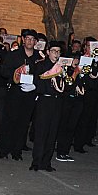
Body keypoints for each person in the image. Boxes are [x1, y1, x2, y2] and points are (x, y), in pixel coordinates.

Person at [0, 29, 42, 161]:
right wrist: (16, 76)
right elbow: (4, 71)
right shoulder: (14, 55)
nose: (29, 41)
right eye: (27, 38)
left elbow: (42, 75)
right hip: (15, 92)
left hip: (29, 94)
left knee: (23, 123)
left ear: (35, 42)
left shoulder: (39, 58)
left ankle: (17, 151)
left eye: (32, 39)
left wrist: (34, 85)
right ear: (23, 40)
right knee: (9, 121)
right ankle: (4, 150)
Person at [30, 41, 65, 172]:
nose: (56, 54)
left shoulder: (62, 67)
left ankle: (46, 162)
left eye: (58, 51)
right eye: (54, 51)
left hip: (57, 102)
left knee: (52, 133)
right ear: (48, 52)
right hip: (44, 100)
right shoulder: (41, 65)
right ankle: (36, 162)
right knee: (41, 132)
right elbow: (37, 82)